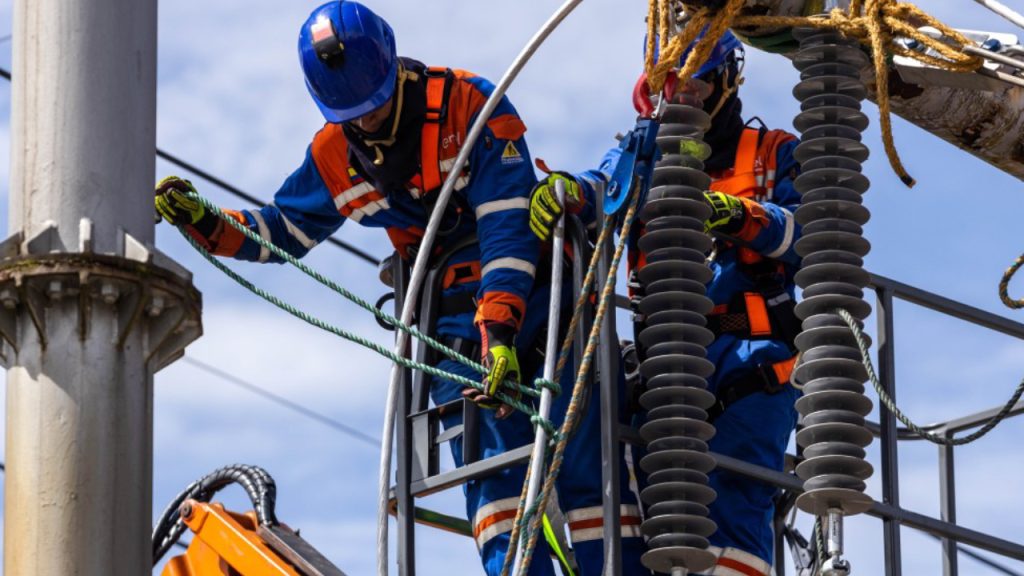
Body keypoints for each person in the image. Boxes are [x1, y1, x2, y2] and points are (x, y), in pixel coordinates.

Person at [154, 2, 647, 574]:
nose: (366, 122)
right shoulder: (335, 155)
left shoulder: (469, 104)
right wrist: (207, 221)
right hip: (452, 328)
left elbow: (507, 223)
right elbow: (281, 231)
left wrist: (502, 324)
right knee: (494, 491)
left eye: (373, 105)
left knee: (591, 475)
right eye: (352, 114)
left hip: (546, 305)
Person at [530, 31, 802, 576]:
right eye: (671, 87)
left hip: (752, 362)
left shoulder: (773, 153)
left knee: (734, 503)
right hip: (667, 368)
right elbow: (601, 187)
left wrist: (740, 216)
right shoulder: (642, 153)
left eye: (698, 86)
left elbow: (814, 238)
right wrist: (567, 192)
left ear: (729, 80)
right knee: (643, 506)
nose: (685, 101)